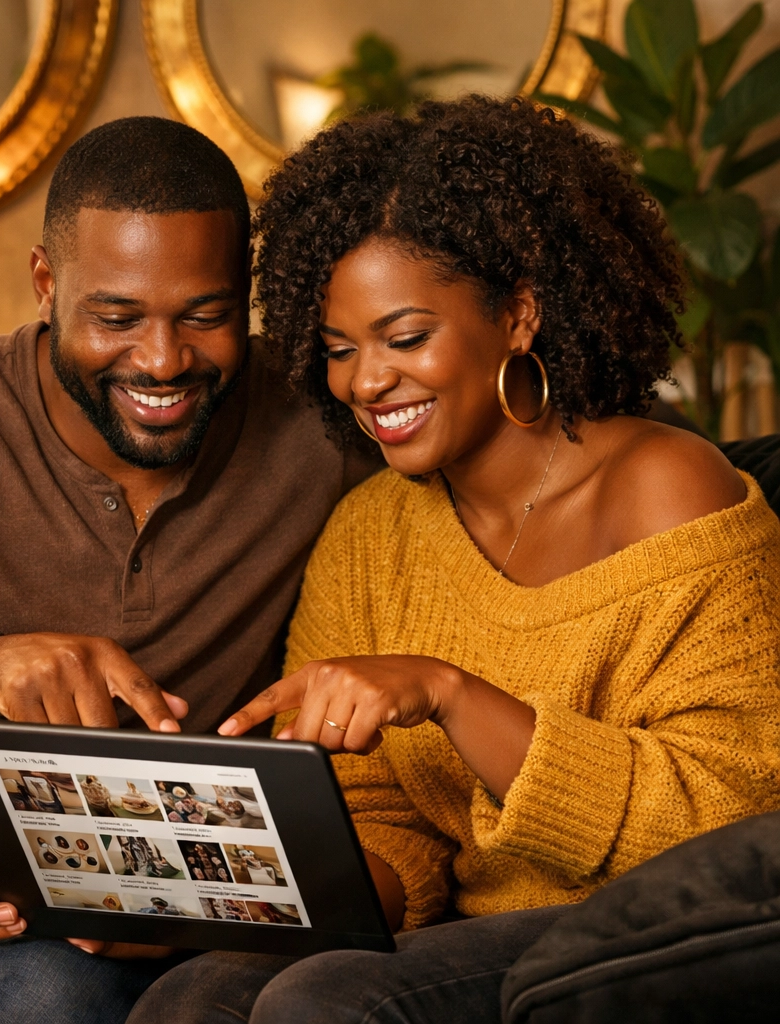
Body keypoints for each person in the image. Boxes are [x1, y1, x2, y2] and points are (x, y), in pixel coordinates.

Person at [127, 97, 780, 1024]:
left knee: (327, 1002)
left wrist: (450, 692)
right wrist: (209, 908)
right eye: (339, 350)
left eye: (405, 338)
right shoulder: (369, 536)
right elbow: (380, 818)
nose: (365, 382)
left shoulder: (668, 487)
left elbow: (737, 819)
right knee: (195, 995)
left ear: (519, 316)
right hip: (463, 936)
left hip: (655, 933)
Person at [0, 117, 377, 1022]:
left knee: (52, 1004)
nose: (162, 361)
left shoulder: (323, 431)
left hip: (94, 856)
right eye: (117, 317)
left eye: (204, 316)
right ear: (46, 283)